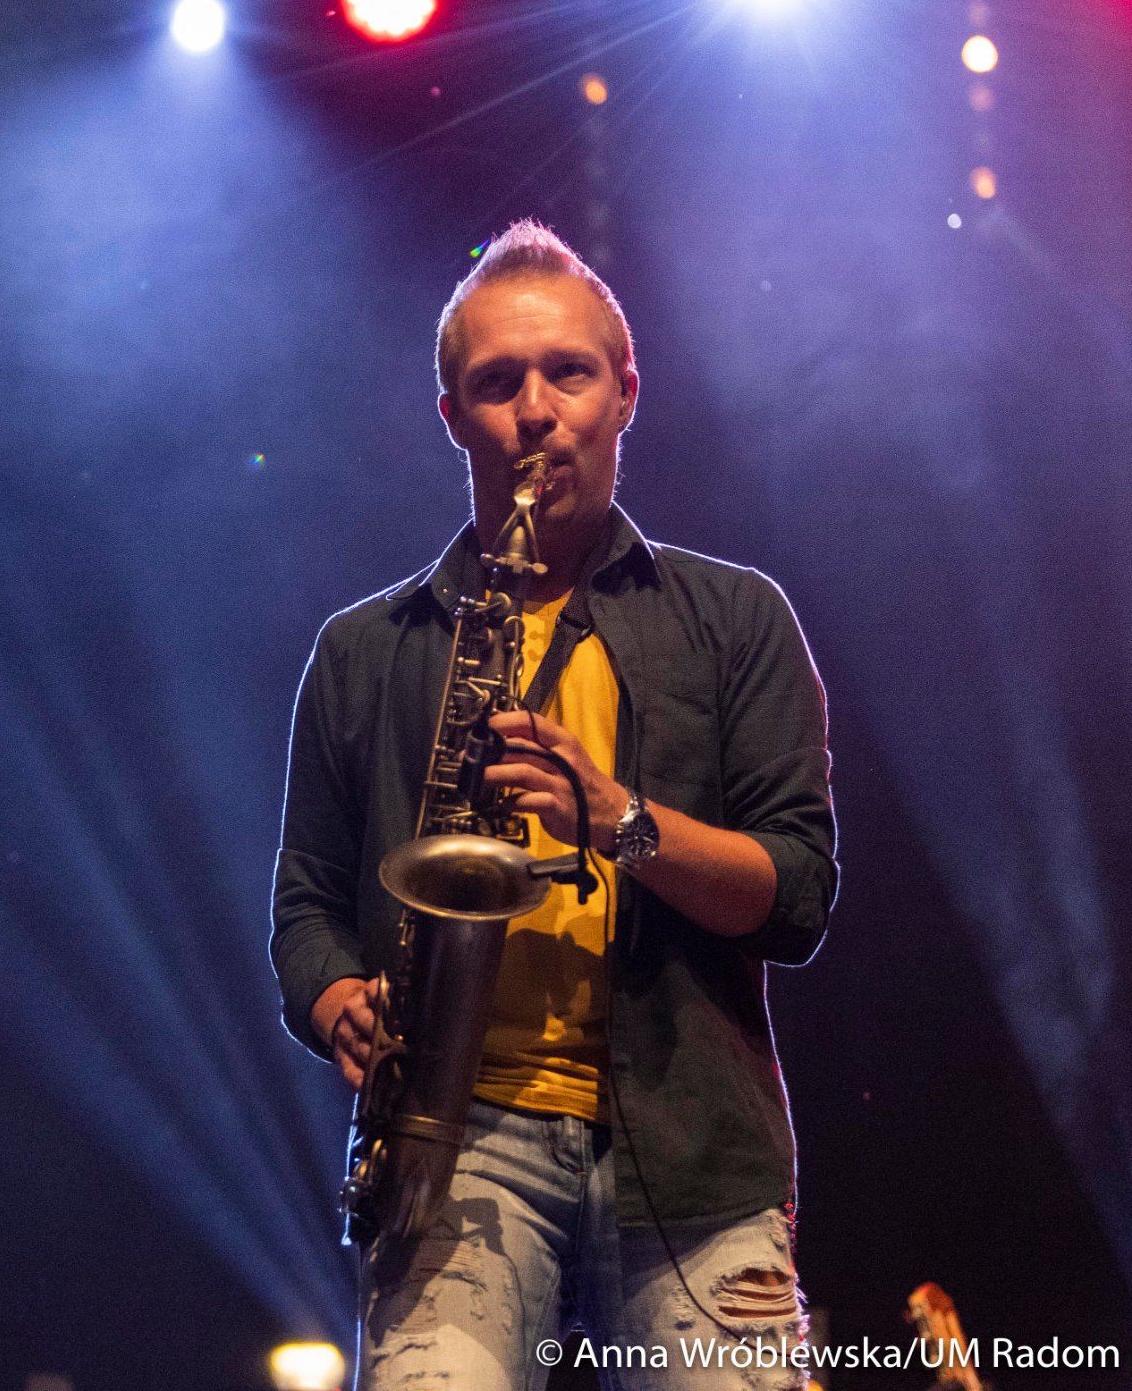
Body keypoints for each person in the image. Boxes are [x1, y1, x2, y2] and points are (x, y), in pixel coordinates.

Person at [270, 220, 835, 1389]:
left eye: (567, 373)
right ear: (452, 416)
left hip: (693, 1153)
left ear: (624, 392)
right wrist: (333, 1002)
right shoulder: (363, 649)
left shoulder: (736, 618)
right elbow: (306, 900)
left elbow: (796, 897)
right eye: (496, 384)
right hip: (449, 1141)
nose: (534, 411)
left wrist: (621, 823)